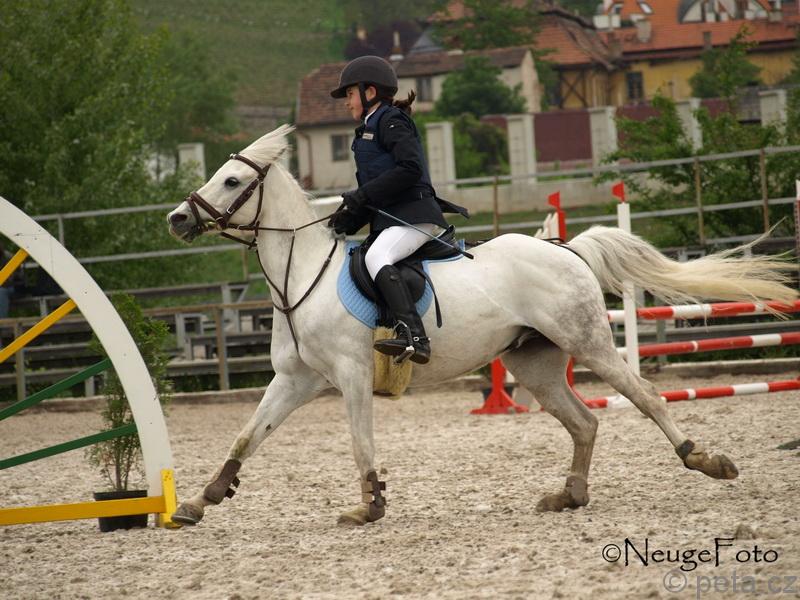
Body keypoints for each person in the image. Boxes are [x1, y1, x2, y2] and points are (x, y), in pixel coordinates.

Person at [328, 55, 468, 364]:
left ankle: (415, 337)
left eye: (350, 93)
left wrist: (362, 194)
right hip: (394, 219)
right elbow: (376, 193)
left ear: (370, 92)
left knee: (377, 257)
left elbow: (410, 168)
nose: (347, 102)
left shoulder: (391, 121)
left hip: (414, 216)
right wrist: (349, 218)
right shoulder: (366, 131)